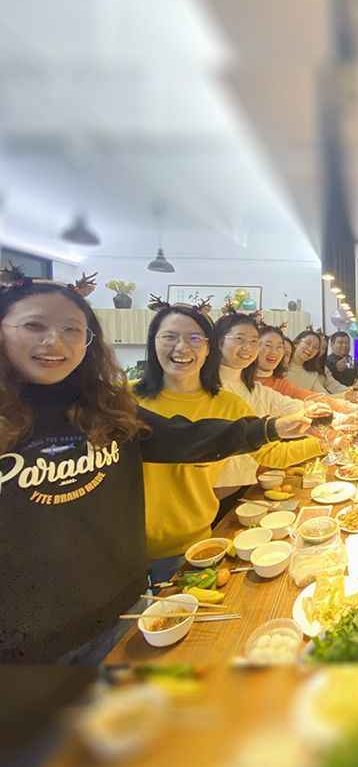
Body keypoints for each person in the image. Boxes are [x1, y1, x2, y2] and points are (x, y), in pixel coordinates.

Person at [0, 280, 312, 664]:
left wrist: (278, 428)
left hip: (126, 596)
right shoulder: (124, 395)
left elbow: (186, 438)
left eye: (71, 329)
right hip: (26, 637)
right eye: (33, 326)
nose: (54, 341)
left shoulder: (105, 406)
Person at [133, 306, 322, 584]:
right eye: (170, 337)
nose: (182, 347)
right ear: (153, 342)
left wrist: (324, 443)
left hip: (192, 543)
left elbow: (270, 451)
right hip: (121, 547)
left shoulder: (229, 403)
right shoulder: (119, 400)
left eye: (195, 339)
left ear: (208, 347)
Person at [213, 314, 325, 513]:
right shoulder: (207, 389)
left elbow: (294, 408)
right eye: (240, 339)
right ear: (217, 341)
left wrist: (336, 421)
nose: (248, 347)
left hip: (242, 489)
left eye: (253, 341)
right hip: (207, 497)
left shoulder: (256, 389)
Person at [256, 326, 353, 412]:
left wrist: (345, 400)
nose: (310, 349)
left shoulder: (313, 374)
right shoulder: (277, 371)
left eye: (316, 348)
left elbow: (320, 396)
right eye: (307, 343)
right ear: (297, 343)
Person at [285, 330, 349, 396]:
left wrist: (349, 393)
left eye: (315, 347)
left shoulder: (312, 375)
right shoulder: (282, 365)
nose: (310, 349)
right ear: (298, 342)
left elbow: (325, 396)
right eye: (308, 343)